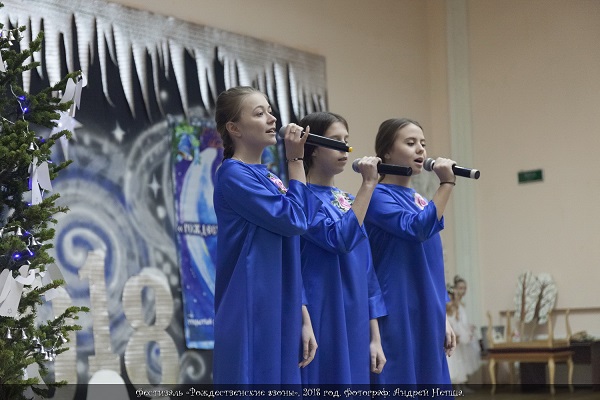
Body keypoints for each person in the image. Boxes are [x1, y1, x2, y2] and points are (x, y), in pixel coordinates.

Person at [212, 86, 321, 384]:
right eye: (259, 114)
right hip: (252, 305)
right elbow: (296, 219)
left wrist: (303, 315)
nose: (272, 119)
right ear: (234, 128)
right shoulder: (233, 174)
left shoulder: (270, 177)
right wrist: (296, 161)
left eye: (270, 111)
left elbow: (295, 237)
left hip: (281, 304)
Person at [364, 118, 457, 388]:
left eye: (423, 144)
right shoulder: (377, 196)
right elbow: (416, 229)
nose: (420, 150)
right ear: (386, 152)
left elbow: (433, 262)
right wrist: (446, 184)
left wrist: (443, 316)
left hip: (428, 309)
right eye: (410, 143)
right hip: (397, 309)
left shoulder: (420, 200)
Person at [297, 111, 387, 386]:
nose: (345, 148)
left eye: (346, 140)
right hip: (322, 312)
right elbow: (339, 239)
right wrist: (368, 184)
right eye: (336, 140)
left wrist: (375, 337)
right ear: (313, 148)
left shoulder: (349, 200)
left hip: (356, 318)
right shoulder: (300, 198)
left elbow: (368, 272)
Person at [446, 276, 480, 386]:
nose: (462, 291)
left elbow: (460, 322)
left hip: (459, 335)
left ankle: (461, 386)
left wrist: (467, 329)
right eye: (460, 288)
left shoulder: (458, 306)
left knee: (460, 363)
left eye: (464, 288)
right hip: (451, 337)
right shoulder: (449, 307)